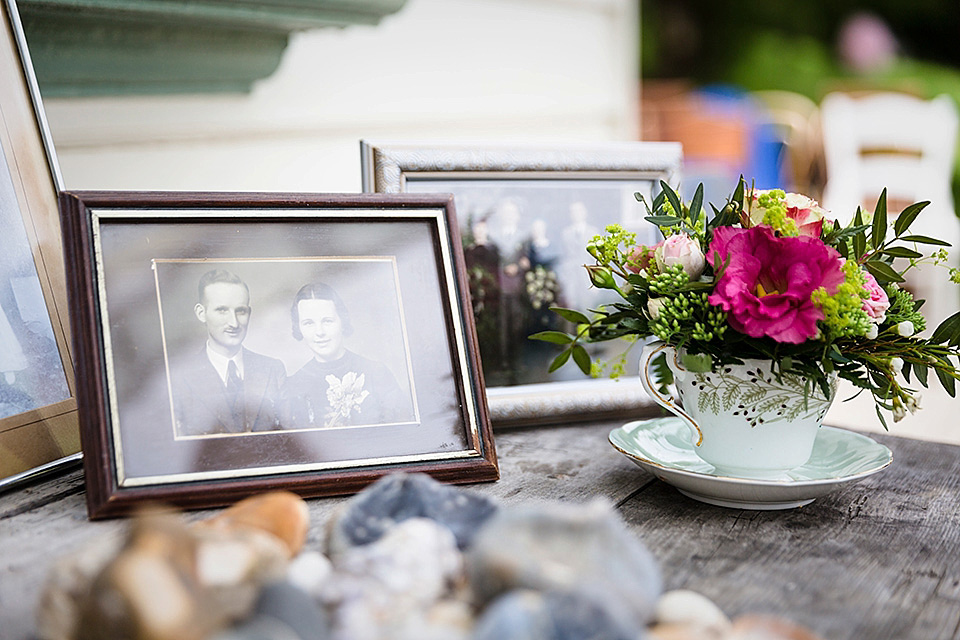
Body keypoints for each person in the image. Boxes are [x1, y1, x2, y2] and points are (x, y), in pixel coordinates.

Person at [171, 269, 286, 436]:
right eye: (222, 310)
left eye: (241, 311)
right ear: (201, 313)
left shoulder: (273, 369)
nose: (233, 323)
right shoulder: (179, 378)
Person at [286, 282, 407, 428]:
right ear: (299, 327)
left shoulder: (377, 373)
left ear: (342, 321)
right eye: (308, 323)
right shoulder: (293, 386)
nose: (319, 332)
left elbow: (403, 432)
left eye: (327, 321)